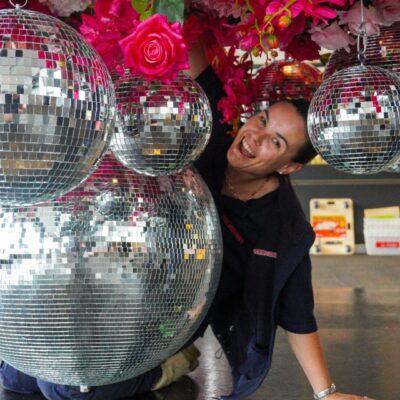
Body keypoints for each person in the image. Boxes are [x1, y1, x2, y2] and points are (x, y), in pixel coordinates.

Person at [0, 42, 373, 400]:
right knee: (15, 377)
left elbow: (298, 317)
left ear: (288, 165)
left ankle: (172, 366)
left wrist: (326, 393)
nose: (254, 137)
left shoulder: (282, 229)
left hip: (167, 328)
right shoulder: (207, 134)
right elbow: (190, 41)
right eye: (262, 120)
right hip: (117, 298)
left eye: (275, 142)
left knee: (64, 389)